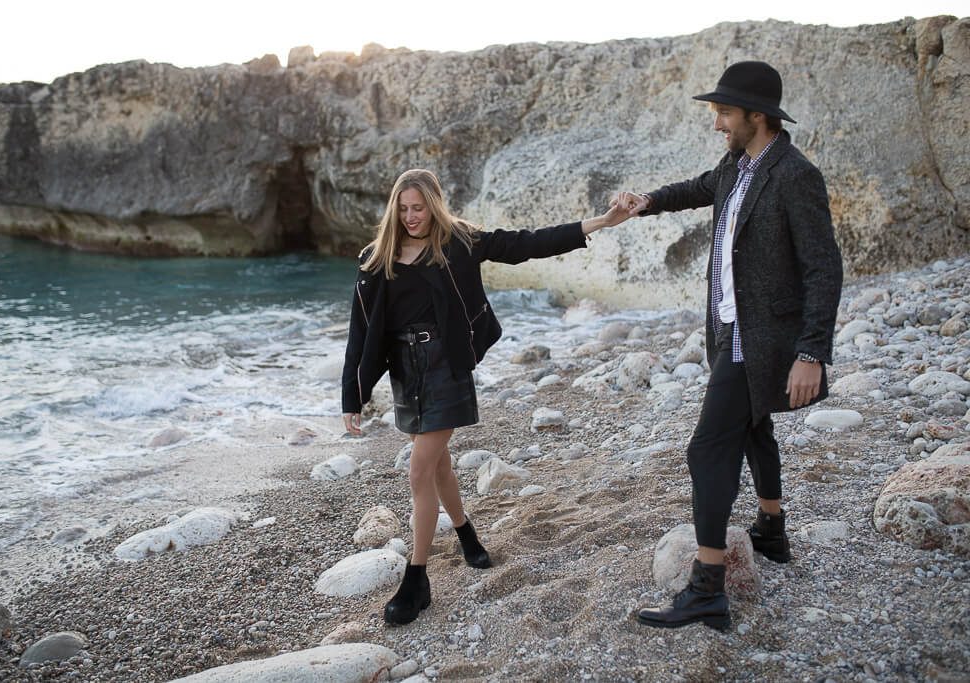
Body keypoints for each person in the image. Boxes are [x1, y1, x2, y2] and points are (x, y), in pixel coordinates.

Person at [342, 168, 633, 625]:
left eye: (418, 208)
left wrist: (598, 223)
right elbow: (359, 332)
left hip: (445, 366)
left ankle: (416, 580)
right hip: (406, 372)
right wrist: (351, 396)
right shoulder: (375, 258)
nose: (411, 217)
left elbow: (527, 243)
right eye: (403, 209)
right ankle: (466, 533)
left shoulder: (458, 243)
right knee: (437, 464)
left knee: (419, 468)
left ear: (433, 205)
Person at [620, 61, 843, 630]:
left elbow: (824, 269)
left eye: (723, 112)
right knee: (752, 427)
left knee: (706, 451)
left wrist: (811, 352)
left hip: (762, 340)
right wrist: (645, 202)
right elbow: (697, 188)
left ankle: (707, 588)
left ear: (756, 116)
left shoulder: (795, 175)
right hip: (726, 331)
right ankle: (771, 528)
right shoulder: (736, 165)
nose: (716, 122)